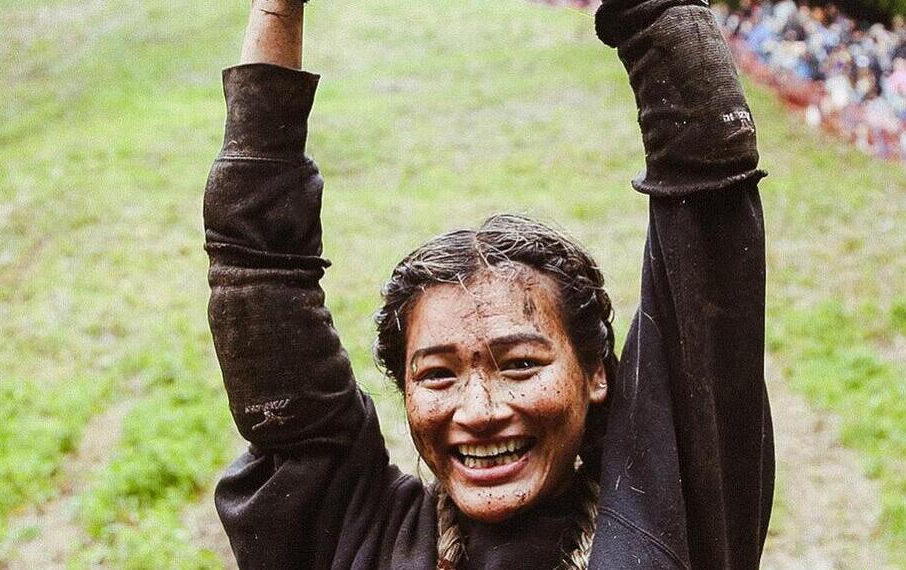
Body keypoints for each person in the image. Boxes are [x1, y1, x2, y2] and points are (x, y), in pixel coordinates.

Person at [203, 0, 774, 568]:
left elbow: (708, 204)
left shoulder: (675, 508)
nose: (479, 410)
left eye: (521, 363)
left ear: (597, 372)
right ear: (405, 391)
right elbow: (260, 276)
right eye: (437, 374)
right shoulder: (356, 535)